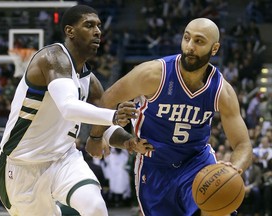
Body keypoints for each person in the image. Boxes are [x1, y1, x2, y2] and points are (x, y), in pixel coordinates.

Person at [0, 5, 152, 216]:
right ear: (70, 31)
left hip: (64, 159)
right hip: (23, 165)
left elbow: (102, 127)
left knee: (95, 208)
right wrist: (114, 116)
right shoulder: (52, 58)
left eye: (99, 26)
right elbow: (68, 107)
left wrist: (128, 142)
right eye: (89, 25)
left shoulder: (89, 80)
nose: (97, 31)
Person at [86, 18, 253, 216]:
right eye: (187, 38)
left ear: (214, 48)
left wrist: (234, 169)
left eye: (199, 41)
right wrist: (96, 137)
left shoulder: (221, 90)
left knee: (217, 209)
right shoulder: (153, 74)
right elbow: (107, 99)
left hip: (196, 163)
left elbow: (243, 145)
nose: (190, 46)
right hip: (154, 165)